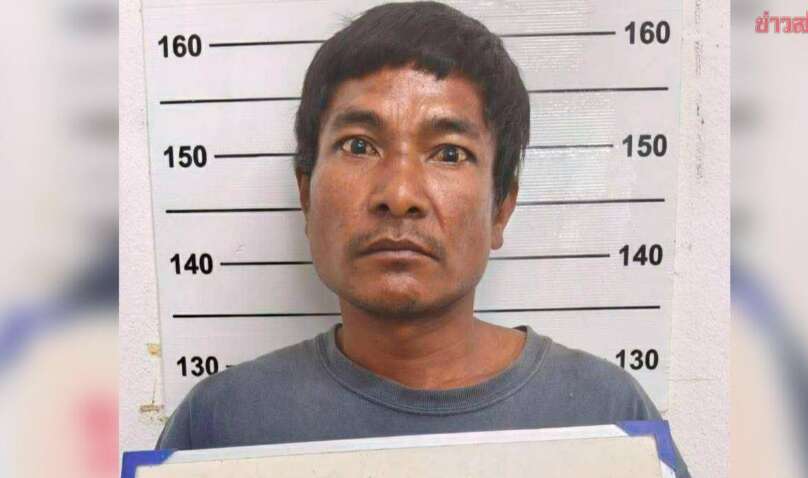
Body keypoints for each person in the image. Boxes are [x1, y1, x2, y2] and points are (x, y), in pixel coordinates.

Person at [156, 2, 690, 476]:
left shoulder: (605, 418)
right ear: (306, 195)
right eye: (359, 145)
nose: (400, 194)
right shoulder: (221, 426)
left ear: (501, 208)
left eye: (449, 153)